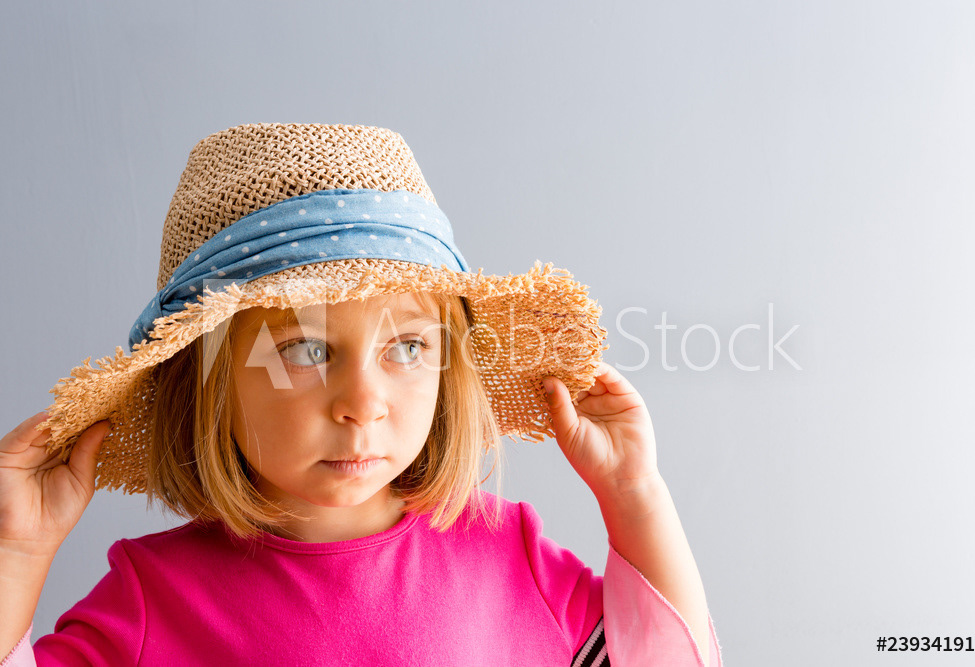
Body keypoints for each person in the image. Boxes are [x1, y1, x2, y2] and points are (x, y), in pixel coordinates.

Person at [0, 123, 723, 666]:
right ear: (207, 385)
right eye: (306, 350)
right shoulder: (153, 599)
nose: (363, 402)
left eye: (407, 347)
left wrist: (634, 494)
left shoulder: (509, 555)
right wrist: (15, 554)